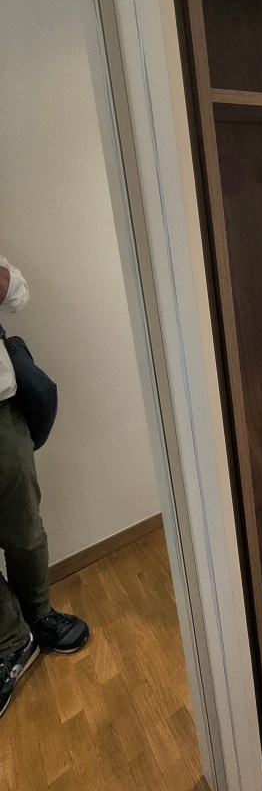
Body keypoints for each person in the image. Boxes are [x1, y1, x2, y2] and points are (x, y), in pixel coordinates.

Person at [0, 253, 89, 719]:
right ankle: (12, 641)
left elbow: (17, 294)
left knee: (25, 532)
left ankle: (38, 616)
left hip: (0, 414)